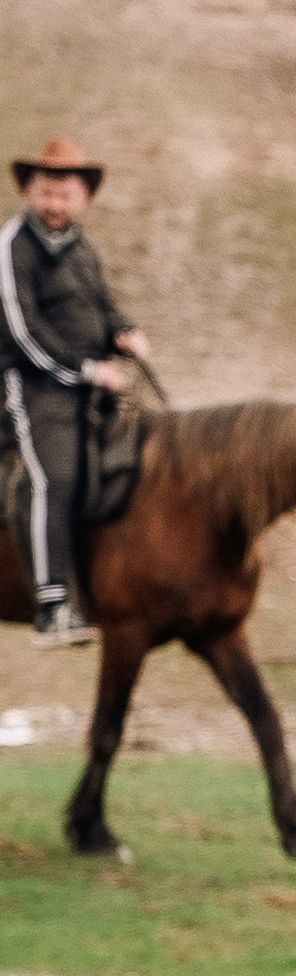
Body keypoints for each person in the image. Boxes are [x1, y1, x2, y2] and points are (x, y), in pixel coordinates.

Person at [2, 133, 152, 648]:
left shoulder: (82, 249)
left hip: (87, 383)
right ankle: (52, 606)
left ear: (83, 197)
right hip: (28, 385)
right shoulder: (14, 245)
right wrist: (87, 370)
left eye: (65, 194)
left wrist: (124, 331)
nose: (55, 203)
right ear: (30, 192)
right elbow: (22, 332)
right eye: (46, 192)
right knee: (54, 477)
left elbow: (102, 306)